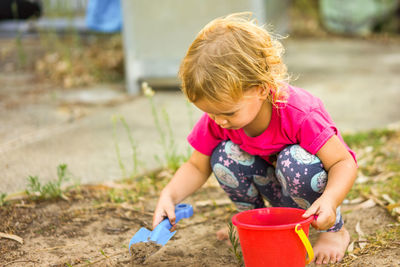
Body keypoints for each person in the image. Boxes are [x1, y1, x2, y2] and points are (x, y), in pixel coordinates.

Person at [152, 13, 358, 265]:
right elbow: (197, 165)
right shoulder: (219, 120)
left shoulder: (299, 114)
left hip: (312, 192)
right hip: (274, 188)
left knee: (294, 160)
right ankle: (254, 224)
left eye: (228, 112)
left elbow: (343, 162)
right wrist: (169, 196)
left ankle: (334, 231)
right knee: (223, 156)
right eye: (210, 113)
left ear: (261, 89)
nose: (219, 121)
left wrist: (330, 200)